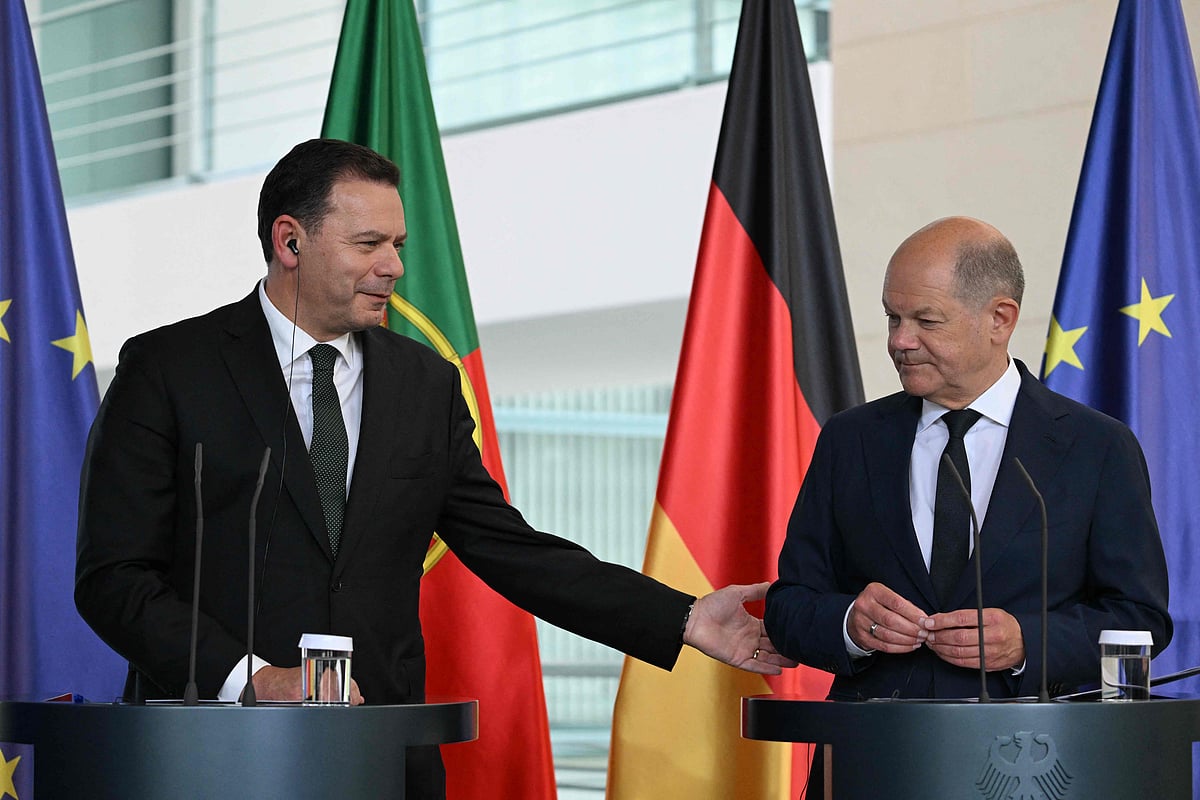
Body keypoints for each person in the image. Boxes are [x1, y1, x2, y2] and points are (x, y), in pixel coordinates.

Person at [75, 138, 792, 797]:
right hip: (210, 755)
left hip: (383, 757)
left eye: (398, 244)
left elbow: (510, 550)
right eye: (369, 244)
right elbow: (113, 578)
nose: (395, 266)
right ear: (289, 240)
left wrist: (684, 616)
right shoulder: (169, 369)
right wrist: (253, 680)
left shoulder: (425, 382)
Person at [765, 216, 1171, 698]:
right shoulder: (850, 439)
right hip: (873, 755)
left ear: (1000, 319)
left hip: (1034, 759)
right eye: (893, 318)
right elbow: (789, 605)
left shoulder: (1097, 447)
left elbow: (1140, 621)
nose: (899, 340)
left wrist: (1027, 642)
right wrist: (851, 623)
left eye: (926, 320)